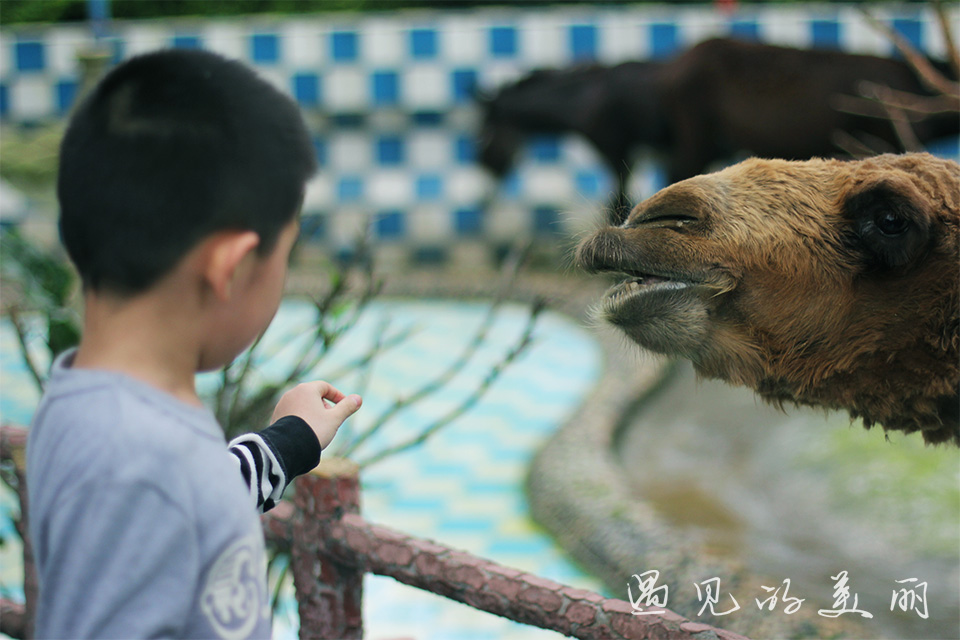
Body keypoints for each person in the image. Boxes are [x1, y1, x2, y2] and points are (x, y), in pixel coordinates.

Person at [26, 48, 362, 638]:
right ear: (231, 270)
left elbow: (197, 495)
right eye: (283, 258)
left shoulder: (87, 407)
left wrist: (287, 444)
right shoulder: (144, 464)